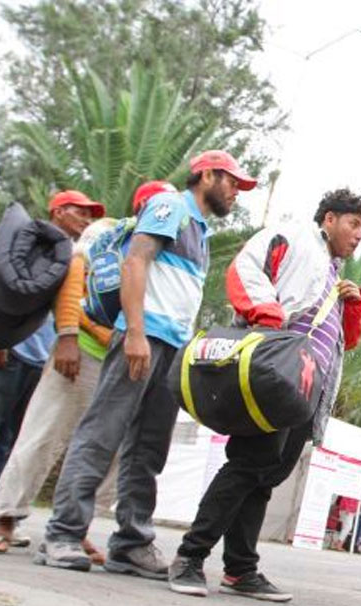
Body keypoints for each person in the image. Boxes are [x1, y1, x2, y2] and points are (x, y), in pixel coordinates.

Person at [37, 150, 254, 576]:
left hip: (171, 346)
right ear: (206, 174)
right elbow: (136, 260)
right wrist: (134, 331)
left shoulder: (199, 229)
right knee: (102, 432)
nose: (235, 192)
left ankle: (131, 543)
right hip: (144, 336)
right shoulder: (171, 205)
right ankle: (62, 533)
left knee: (148, 448)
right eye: (231, 181)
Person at [168, 187, 361, 601]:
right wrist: (267, 315)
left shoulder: (332, 271)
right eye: (354, 223)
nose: (360, 234)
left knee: (265, 475)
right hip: (275, 373)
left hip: (305, 387)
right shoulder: (295, 237)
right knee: (248, 465)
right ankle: (189, 557)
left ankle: (240, 569)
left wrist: (351, 307)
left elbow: (344, 343)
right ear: (329, 219)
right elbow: (244, 267)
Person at [0, 182, 175, 556]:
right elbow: (73, 281)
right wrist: (66, 335)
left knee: (107, 449)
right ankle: (4, 518)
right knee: (43, 433)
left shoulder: (171, 249)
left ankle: (75, 523)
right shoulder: (111, 231)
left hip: (123, 359)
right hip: (83, 350)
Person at [0, 190, 102, 533]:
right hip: (6, 352)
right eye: (81, 213)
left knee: (12, 440)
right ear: (59, 212)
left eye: (91, 215)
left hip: (43, 360)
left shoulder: (77, 257)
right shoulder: (32, 245)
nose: (87, 220)